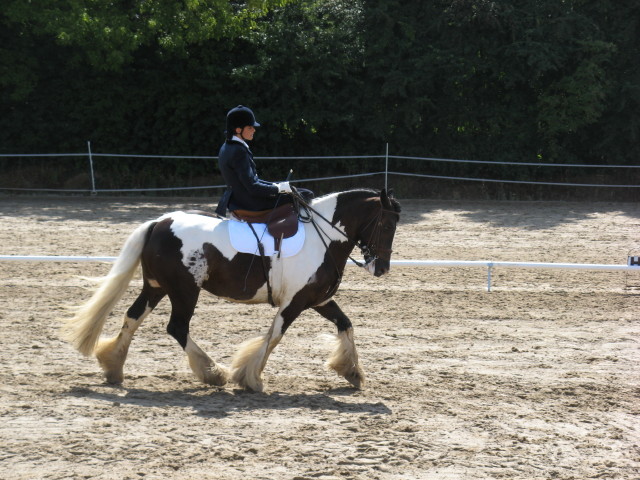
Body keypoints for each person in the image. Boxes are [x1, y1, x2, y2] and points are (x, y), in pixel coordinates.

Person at [215, 105, 309, 216]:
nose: (254, 130)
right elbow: (253, 187)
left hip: (238, 199)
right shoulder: (238, 151)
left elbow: (252, 180)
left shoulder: (227, 146)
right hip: (250, 202)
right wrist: (277, 189)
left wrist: (276, 185)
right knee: (305, 194)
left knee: (297, 192)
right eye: (250, 127)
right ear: (238, 130)